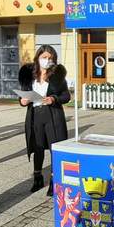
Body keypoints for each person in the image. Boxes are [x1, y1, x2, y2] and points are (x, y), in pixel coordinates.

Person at [18, 45, 70, 194]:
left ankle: (54, 180)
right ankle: (37, 177)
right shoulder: (29, 75)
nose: (47, 60)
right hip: (35, 115)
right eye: (44, 57)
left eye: (50, 58)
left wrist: (53, 99)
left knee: (55, 147)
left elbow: (66, 96)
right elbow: (22, 95)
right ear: (37, 58)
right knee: (38, 146)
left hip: (52, 115)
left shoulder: (57, 76)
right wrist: (22, 101)